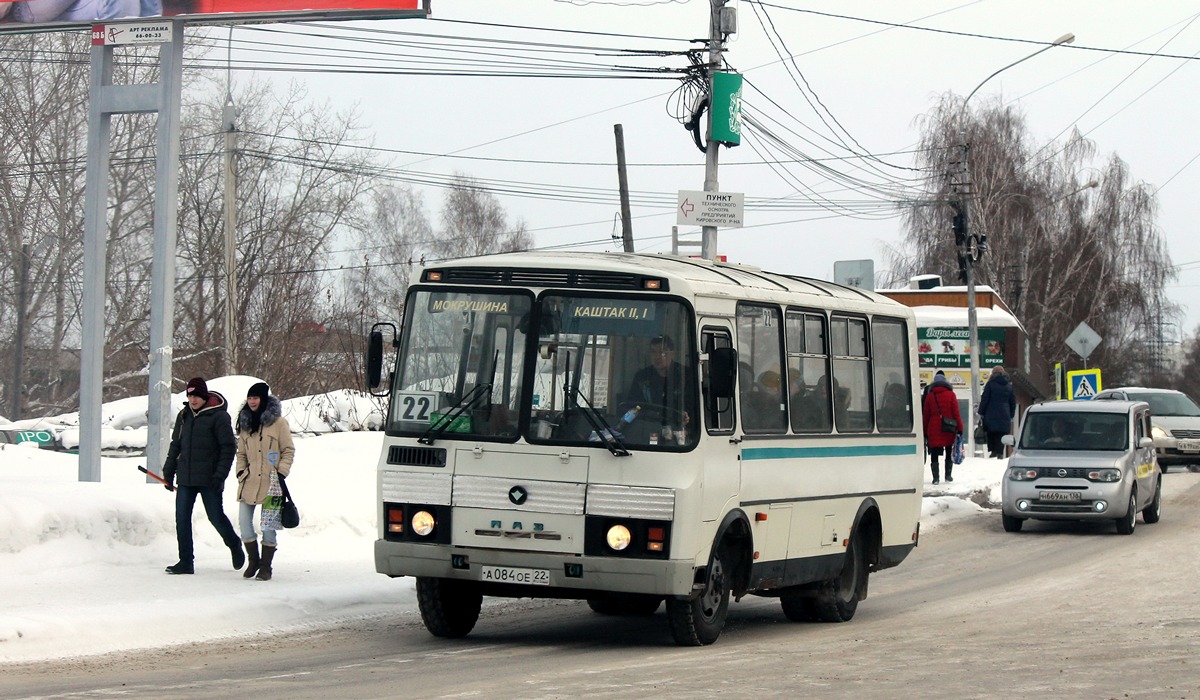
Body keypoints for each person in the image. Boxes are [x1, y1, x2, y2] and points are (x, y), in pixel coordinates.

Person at [162, 377, 245, 575]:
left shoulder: (219, 417)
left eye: (196, 395)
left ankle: (234, 544)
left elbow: (227, 448)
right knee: (181, 518)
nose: (193, 400)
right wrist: (169, 470)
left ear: (204, 395)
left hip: (209, 478)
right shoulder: (184, 416)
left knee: (215, 516)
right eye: (190, 396)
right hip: (186, 477)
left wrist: (220, 476)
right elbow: (176, 445)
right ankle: (185, 562)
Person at [235, 382, 295, 581]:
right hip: (249, 481)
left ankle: (265, 566)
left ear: (263, 399)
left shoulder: (278, 423)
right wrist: (240, 471)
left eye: (255, 398)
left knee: (269, 527)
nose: (252, 402)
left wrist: (282, 472)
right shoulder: (245, 424)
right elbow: (241, 453)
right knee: (244, 523)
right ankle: (253, 560)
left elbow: (288, 450)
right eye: (249, 398)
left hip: (273, 483)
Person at [625, 335, 692, 440]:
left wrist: (685, 416)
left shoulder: (686, 375)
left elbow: (694, 407)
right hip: (647, 430)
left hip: (680, 434)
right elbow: (633, 406)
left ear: (672, 354)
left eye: (663, 352)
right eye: (653, 352)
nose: (657, 357)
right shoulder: (642, 377)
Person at [922, 370, 962, 484]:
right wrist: (960, 427)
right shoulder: (951, 395)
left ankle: (936, 478)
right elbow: (956, 413)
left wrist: (924, 431)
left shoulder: (930, 396)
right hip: (948, 427)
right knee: (949, 450)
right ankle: (948, 475)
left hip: (933, 427)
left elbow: (926, 415)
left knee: (934, 453)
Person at [978, 366, 1017, 458]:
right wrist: (1011, 415)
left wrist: (981, 412)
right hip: (1005, 414)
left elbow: (985, 399)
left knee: (991, 433)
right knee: (1001, 434)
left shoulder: (990, 384)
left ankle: (993, 451)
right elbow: (1013, 402)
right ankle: (1000, 452)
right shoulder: (1009, 386)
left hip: (990, 414)